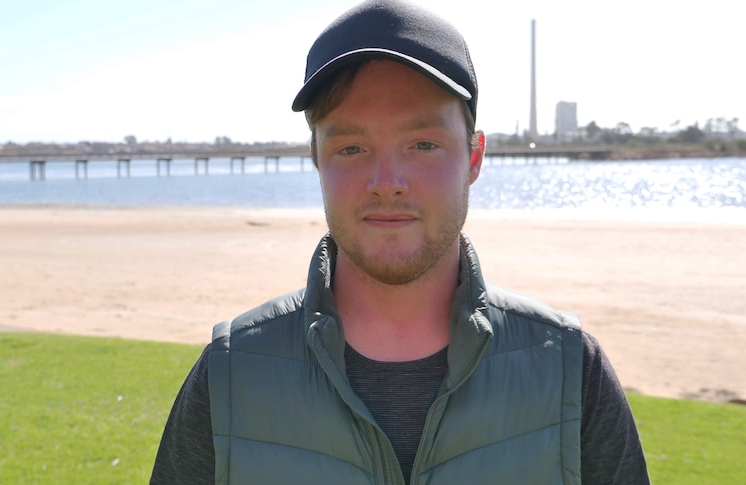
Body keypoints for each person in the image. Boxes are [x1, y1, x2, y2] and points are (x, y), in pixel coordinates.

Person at [151, 1, 650, 483]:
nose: (386, 181)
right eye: (351, 147)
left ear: (474, 158)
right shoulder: (231, 375)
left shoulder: (569, 372)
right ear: (317, 159)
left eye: (423, 145)